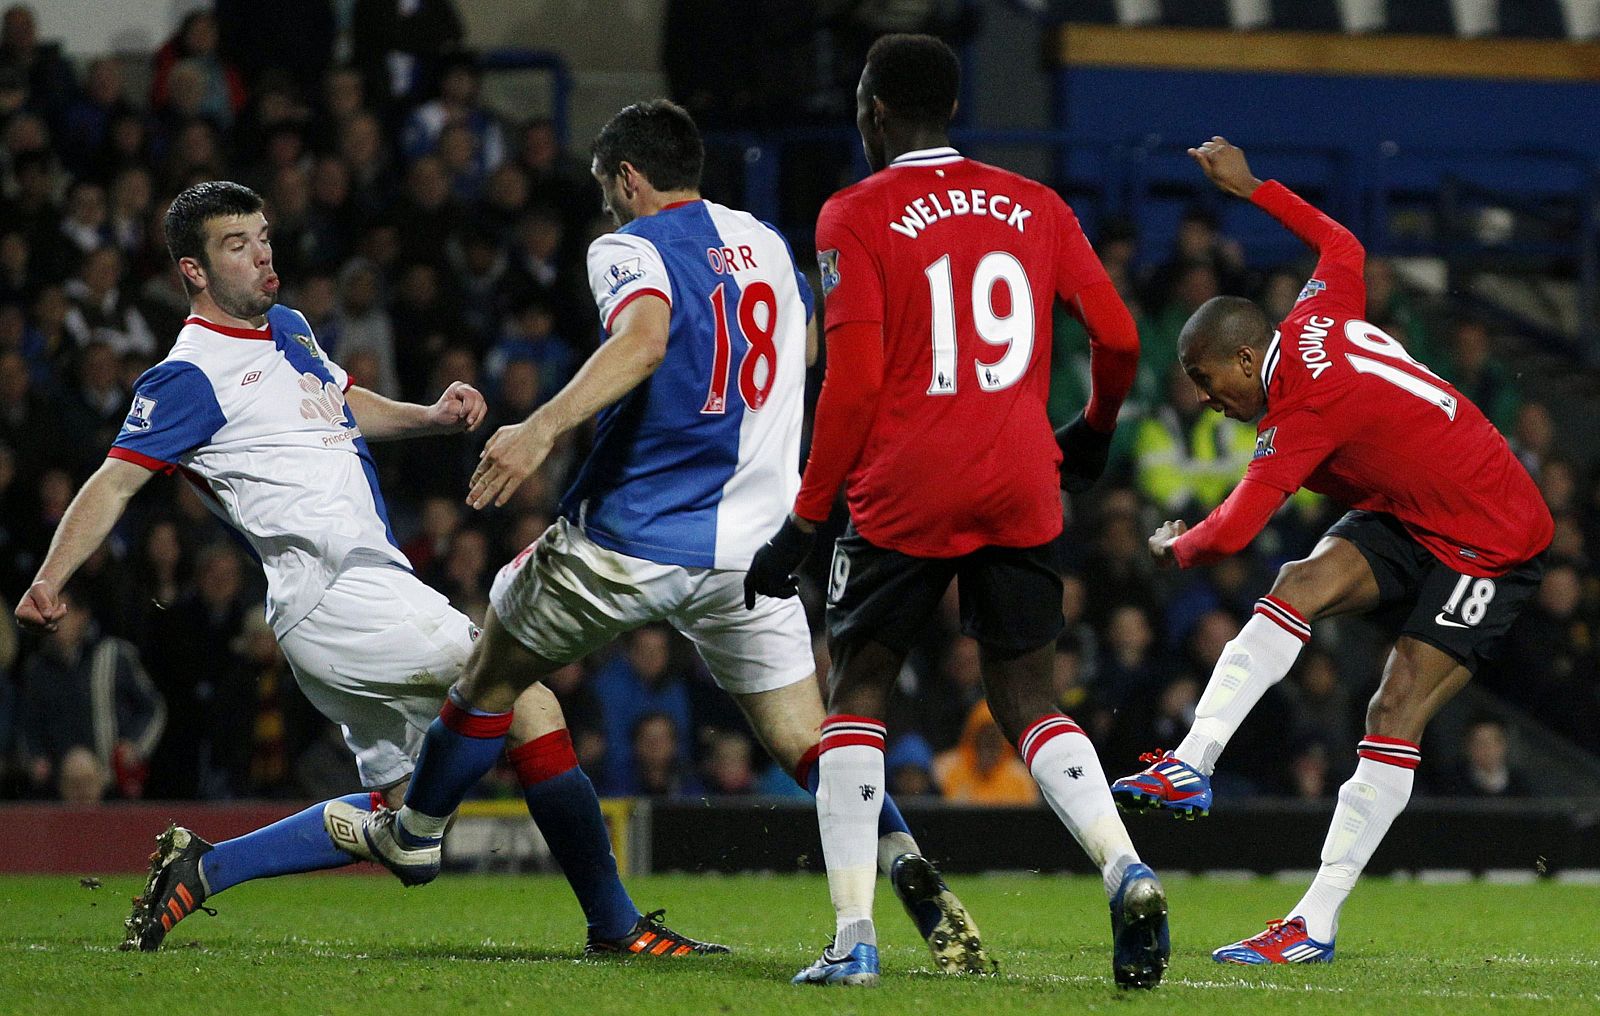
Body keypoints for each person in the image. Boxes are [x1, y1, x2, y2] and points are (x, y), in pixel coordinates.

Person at [355, 99, 991, 976]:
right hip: (754, 556)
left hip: (631, 539)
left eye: (603, 186)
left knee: (494, 671)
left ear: (627, 178)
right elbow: (805, 353)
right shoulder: (765, 241)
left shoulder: (627, 246)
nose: (605, 203)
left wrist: (541, 428)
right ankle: (906, 861)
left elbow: (648, 337)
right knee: (809, 740)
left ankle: (415, 834)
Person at [14, 181, 717, 959]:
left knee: (404, 819)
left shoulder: (287, 328)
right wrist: (50, 577)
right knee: (525, 697)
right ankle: (615, 928)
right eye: (235, 245)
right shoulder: (190, 375)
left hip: (355, 594)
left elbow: (341, 404)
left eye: (263, 235)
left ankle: (207, 868)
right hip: (336, 591)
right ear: (194, 272)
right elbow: (114, 479)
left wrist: (428, 417)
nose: (261, 254)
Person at [744, 34, 1167, 989]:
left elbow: (850, 385)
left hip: (905, 485)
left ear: (879, 112)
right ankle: (1123, 865)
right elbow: (1120, 335)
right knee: (1028, 699)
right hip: (1021, 480)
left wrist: (809, 520)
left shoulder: (853, 213)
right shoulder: (1037, 202)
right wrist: (1094, 426)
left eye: (860, 100)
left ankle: (855, 936)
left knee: (858, 690)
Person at [1111, 137, 1552, 964]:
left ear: (1249, 359)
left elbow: (1233, 531)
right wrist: (1253, 188)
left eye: (1211, 382)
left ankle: (1314, 921)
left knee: (1393, 708)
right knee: (1297, 580)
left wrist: (1179, 546)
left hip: (1491, 536)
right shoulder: (1315, 312)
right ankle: (1191, 762)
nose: (1207, 400)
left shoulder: (1299, 410)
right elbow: (1342, 246)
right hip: (1411, 508)